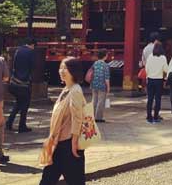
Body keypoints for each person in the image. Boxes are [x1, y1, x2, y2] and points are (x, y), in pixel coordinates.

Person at [39, 57, 86, 185]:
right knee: (48, 178)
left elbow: (78, 117)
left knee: (75, 180)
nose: (61, 71)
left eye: (65, 68)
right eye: (61, 67)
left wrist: (75, 142)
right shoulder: (66, 90)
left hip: (69, 144)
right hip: (58, 142)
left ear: (73, 71)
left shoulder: (75, 90)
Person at [6, 37, 36, 133]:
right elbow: (32, 67)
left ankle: (9, 122)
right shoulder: (30, 52)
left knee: (19, 103)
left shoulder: (18, 50)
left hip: (14, 82)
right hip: (24, 83)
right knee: (25, 105)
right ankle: (22, 126)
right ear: (32, 45)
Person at [145, 41, 168, 123]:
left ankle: (148, 116)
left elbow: (146, 69)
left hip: (150, 79)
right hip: (159, 80)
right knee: (158, 99)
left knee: (150, 98)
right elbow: (166, 69)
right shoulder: (163, 58)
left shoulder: (150, 57)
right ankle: (156, 116)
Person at [90, 49, 111, 123]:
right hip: (102, 85)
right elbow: (106, 78)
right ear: (105, 56)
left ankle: (92, 115)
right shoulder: (105, 65)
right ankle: (98, 117)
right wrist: (108, 87)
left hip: (94, 84)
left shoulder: (95, 63)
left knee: (94, 100)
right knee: (101, 101)